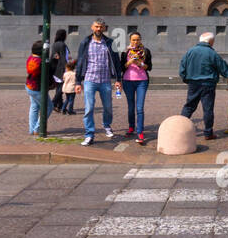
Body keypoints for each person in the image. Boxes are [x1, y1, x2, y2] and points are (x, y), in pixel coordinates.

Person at [179, 31, 228, 141]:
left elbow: (182, 68)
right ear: (211, 41)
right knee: (207, 109)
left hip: (193, 84)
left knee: (189, 107)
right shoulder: (212, 54)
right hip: (208, 85)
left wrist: (187, 79)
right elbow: (225, 70)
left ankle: (178, 129)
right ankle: (208, 133)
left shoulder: (190, 52)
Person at [74, 19, 122, 147]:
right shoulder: (85, 42)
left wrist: (118, 79)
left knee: (108, 107)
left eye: (101, 27)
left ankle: (106, 125)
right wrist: (78, 81)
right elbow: (80, 62)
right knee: (89, 108)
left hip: (105, 80)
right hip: (90, 79)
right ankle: (89, 134)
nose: (99, 29)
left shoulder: (110, 43)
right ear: (92, 27)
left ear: (104, 28)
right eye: (96, 26)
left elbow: (116, 62)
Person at [121, 30, 152, 145]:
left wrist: (140, 63)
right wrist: (129, 62)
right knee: (130, 107)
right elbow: (122, 66)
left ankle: (140, 132)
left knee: (139, 108)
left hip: (141, 81)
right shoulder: (125, 52)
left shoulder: (146, 51)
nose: (135, 42)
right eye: (133, 40)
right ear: (130, 40)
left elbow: (149, 67)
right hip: (128, 81)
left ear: (140, 40)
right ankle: (131, 127)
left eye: (138, 39)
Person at [25, 41, 54, 135]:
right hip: (37, 88)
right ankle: (37, 129)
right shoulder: (41, 62)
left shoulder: (30, 58)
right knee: (48, 106)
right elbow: (48, 73)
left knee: (34, 107)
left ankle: (32, 129)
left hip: (29, 86)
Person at [50, 29, 70, 112]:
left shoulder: (54, 44)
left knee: (59, 87)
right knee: (61, 88)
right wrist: (68, 68)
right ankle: (53, 103)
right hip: (61, 69)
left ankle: (60, 105)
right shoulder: (62, 45)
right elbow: (63, 58)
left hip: (55, 69)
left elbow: (54, 56)